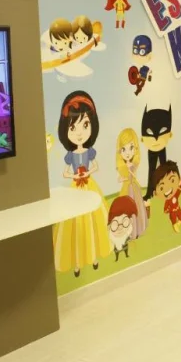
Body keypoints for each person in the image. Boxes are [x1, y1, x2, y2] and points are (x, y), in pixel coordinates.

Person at [52, 91, 111, 277]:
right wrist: (74, 176)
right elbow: (65, 172)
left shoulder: (89, 151)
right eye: (73, 127)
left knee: (94, 220)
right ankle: (77, 261)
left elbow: (96, 166)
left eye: (85, 125)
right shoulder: (70, 155)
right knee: (76, 224)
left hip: (89, 186)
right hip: (76, 188)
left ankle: (93, 256)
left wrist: (87, 173)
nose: (79, 133)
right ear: (66, 129)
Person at [115, 127, 148, 237]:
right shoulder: (123, 167)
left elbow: (135, 176)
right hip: (126, 188)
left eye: (131, 148)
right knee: (126, 210)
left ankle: (137, 229)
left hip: (133, 188)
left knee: (136, 207)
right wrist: (121, 179)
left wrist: (132, 174)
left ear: (135, 148)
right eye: (123, 149)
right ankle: (128, 231)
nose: (127, 153)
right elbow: (119, 178)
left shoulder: (134, 165)